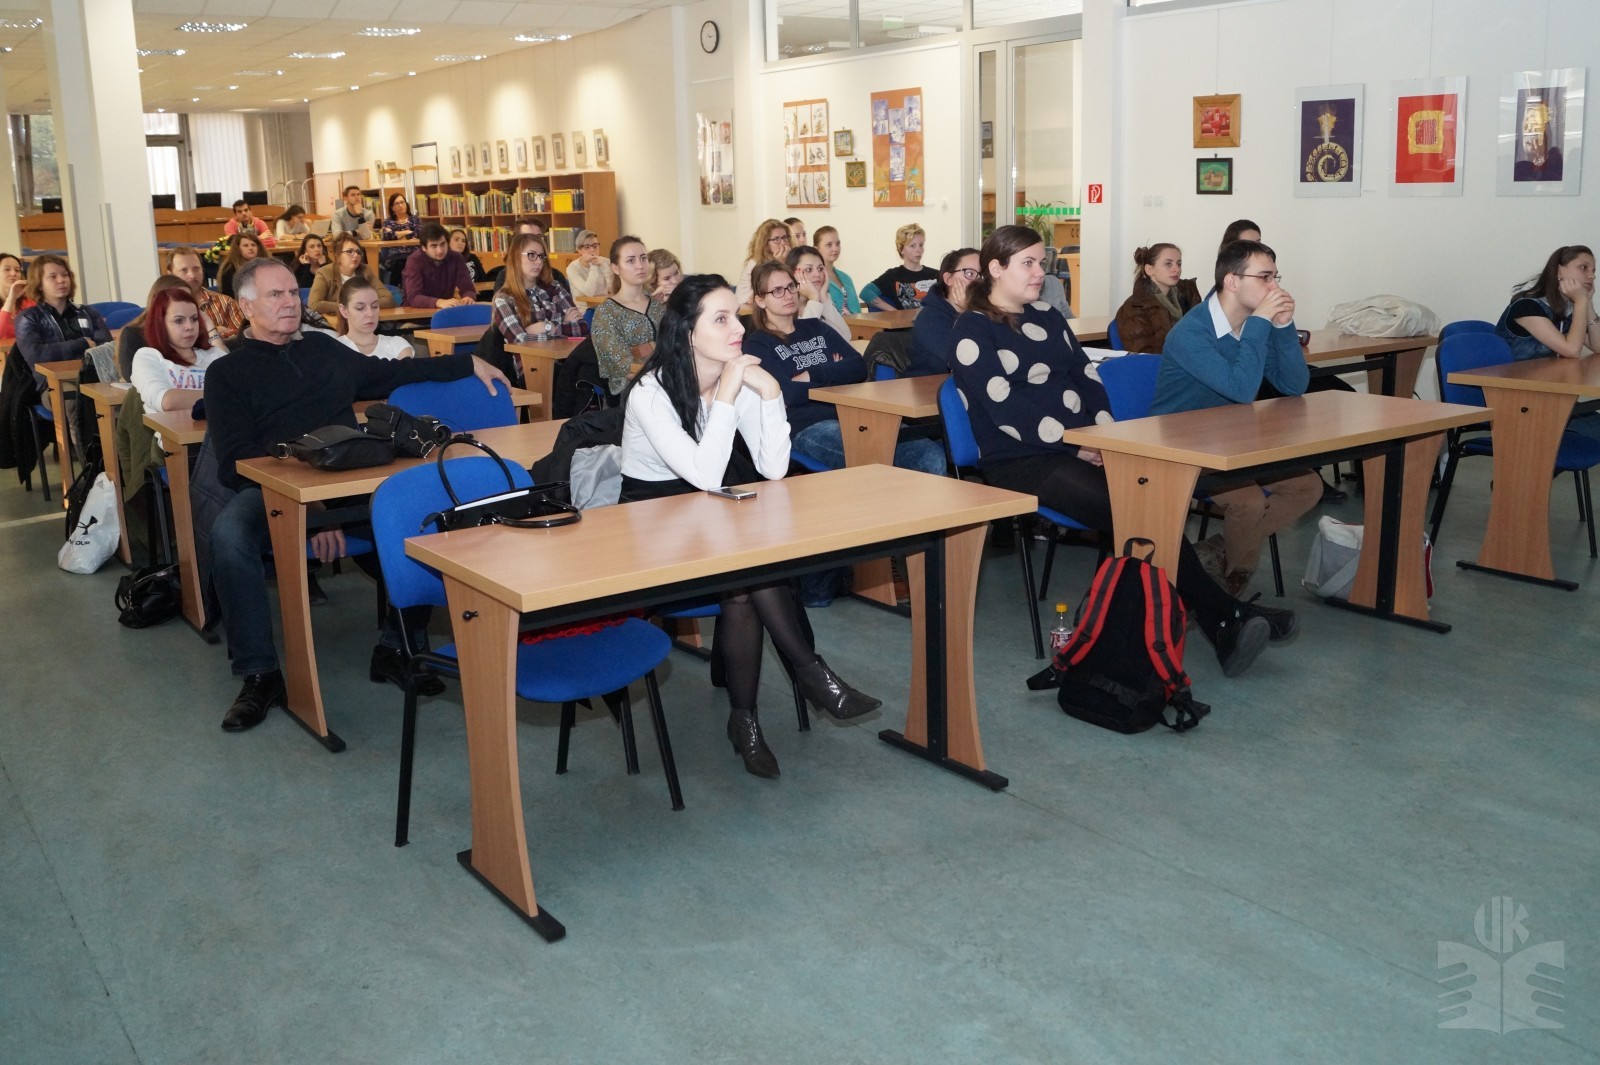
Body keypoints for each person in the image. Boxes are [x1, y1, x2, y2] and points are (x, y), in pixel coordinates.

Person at [947, 225, 1288, 677]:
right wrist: (1077, 444)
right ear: (995, 268)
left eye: (1040, 262)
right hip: (1021, 459)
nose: (1039, 272)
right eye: (1027, 263)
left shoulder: (1047, 316)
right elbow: (1003, 407)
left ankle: (1214, 617)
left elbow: (1087, 377)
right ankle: (1225, 615)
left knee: (1151, 501)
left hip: (1082, 446)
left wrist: (1105, 439)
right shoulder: (972, 329)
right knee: (1134, 508)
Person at [195, 257, 509, 733]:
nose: (290, 303)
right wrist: (311, 504)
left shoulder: (323, 349)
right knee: (230, 535)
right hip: (271, 488)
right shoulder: (227, 373)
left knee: (425, 516)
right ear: (245, 306)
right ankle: (260, 675)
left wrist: (468, 361)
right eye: (275, 295)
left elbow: (392, 375)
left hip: (345, 481)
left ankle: (397, 646)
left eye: (292, 293)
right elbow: (235, 461)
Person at [619, 274, 881, 777]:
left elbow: (774, 468)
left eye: (735, 316)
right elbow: (703, 473)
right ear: (687, 332)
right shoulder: (650, 392)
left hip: (706, 515)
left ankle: (748, 720)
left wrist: (771, 394)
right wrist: (728, 395)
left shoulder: (732, 377)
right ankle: (809, 674)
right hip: (650, 523)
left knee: (744, 587)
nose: (737, 329)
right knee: (750, 577)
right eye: (720, 320)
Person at [1152, 238, 1322, 598]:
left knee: (1307, 485)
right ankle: (1230, 589)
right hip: (1181, 448)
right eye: (1265, 277)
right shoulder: (1191, 334)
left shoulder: (1252, 325)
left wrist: (1283, 327)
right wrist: (1261, 323)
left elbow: (1294, 385)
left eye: (1275, 277)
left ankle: (1216, 551)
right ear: (1231, 281)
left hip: (1231, 442)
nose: (1274, 287)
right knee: (1248, 502)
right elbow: (1241, 390)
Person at [743, 260, 945, 476]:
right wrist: (835, 372)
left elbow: (858, 366)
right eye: (777, 291)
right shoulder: (757, 344)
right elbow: (788, 393)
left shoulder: (816, 327)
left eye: (791, 286)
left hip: (854, 413)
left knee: (929, 455)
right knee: (883, 460)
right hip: (808, 424)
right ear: (760, 300)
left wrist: (813, 373)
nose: (788, 295)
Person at [130, 287, 227, 447]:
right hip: (179, 447)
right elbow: (166, 401)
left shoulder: (213, 354)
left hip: (223, 438)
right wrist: (224, 397)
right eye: (179, 321)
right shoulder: (148, 356)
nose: (189, 326)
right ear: (160, 324)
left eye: (194, 319)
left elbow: (243, 392)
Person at [14, 255, 112, 384]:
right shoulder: (29, 317)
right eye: (53, 277)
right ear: (39, 284)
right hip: (54, 384)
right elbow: (36, 355)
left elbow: (108, 349)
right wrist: (83, 344)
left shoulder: (88, 313)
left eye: (65, 275)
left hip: (94, 378)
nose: (61, 280)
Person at [1495, 245, 1599, 361]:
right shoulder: (1527, 306)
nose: (1592, 276)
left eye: (1593, 271)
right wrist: (1581, 301)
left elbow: (1598, 346)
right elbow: (1572, 351)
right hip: (1510, 371)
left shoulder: (1569, 306)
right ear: (1559, 271)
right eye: (1584, 267)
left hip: (1543, 371)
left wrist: (1588, 301)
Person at [590, 236, 663, 397]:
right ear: (616, 268)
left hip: (666, 383)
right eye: (631, 261)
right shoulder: (607, 312)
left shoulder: (659, 306)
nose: (640, 265)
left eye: (643, 258)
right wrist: (656, 347)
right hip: (630, 392)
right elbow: (623, 367)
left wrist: (642, 349)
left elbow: (679, 347)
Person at [491, 232, 584, 343]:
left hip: (565, 353)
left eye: (541, 256)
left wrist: (547, 327)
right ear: (516, 257)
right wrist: (564, 324)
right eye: (531, 255)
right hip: (530, 355)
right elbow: (520, 340)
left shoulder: (555, 288)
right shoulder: (503, 299)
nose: (539, 262)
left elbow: (582, 327)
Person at [1113, 243, 1202, 355]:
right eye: (1168, 264)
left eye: (1179, 264)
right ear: (1149, 270)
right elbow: (1146, 355)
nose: (1176, 269)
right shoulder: (1135, 308)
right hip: (1163, 364)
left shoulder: (1187, 296)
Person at [907, 247, 979, 377]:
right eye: (969, 274)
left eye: (982, 275)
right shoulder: (930, 318)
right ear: (948, 278)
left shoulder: (984, 312)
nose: (977, 281)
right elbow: (964, 359)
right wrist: (968, 312)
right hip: (928, 385)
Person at [166, 246, 244, 347]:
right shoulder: (163, 305)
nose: (192, 275)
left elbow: (242, 339)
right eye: (184, 270)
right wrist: (211, 332)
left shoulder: (225, 303)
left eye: (196, 269)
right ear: (170, 273)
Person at [117, 274, 190, 379]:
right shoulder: (133, 335)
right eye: (179, 299)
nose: (186, 305)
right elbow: (131, 375)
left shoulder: (192, 331)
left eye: (189, 299)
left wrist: (210, 327)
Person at [310, 233, 393, 318]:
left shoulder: (366, 271)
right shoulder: (324, 273)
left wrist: (363, 306)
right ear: (337, 256)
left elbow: (388, 299)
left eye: (358, 252)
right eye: (349, 251)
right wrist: (350, 306)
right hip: (336, 322)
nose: (356, 255)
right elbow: (314, 304)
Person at [335, 276, 415, 359]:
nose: (370, 314)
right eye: (360, 308)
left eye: (375, 306)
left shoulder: (397, 345)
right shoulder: (334, 349)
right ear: (344, 311)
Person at [401, 222, 474, 309]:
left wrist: (468, 297)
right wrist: (438, 302)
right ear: (424, 247)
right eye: (434, 246)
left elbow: (468, 288)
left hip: (446, 310)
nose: (440, 250)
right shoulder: (414, 260)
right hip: (416, 313)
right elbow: (414, 297)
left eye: (443, 244)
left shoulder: (456, 257)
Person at [785, 245, 850, 341]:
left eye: (820, 269)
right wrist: (814, 299)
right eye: (808, 270)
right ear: (792, 274)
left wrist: (824, 299)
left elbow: (845, 337)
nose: (817, 274)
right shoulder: (785, 304)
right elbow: (803, 342)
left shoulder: (822, 299)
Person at [865, 224, 937, 310]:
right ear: (901, 249)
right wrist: (893, 311)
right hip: (905, 319)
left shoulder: (936, 275)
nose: (918, 250)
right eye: (912, 246)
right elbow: (866, 293)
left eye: (921, 245)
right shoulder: (893, 276)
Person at [734, 219, 792, 305]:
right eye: (776, 239)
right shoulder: (755, 264)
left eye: (784, 237)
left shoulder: (788, 258)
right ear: (765, 244)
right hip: (747, 308)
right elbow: (771, 289)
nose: (783, 243)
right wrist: (780, 264)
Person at [814, 225, 861, 314]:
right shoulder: (816, 278)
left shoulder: (846, 278)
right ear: (817, 249)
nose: (835, 248)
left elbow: (858, 311)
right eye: (829, 245)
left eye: (837, 244)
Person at [379, 193, 423, 280]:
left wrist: (397, 234)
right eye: (397, 203)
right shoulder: (388, 222)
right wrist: (407, 232)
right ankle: (394, 287)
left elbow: (418, 233)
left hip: (413, 252)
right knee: (400, 263)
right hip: (395, 254)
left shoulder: (415, 219)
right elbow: (388, 235)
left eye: (402, 202)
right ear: (392, 208)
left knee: (412, 261)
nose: (400, 205)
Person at [216, 231, 265, 299]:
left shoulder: (267, 266)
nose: (250, 248)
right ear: (238, 249)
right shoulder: (230, 270)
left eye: (253, 245)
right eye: (246, 245)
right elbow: (230, 297)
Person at [566, 230, 613, 299]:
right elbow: (589, 293)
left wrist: (604, 267)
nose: (592, 250)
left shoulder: (606, 262)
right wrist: (593, 265)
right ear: (579, 250)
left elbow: (614, 290)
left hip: (605, 303)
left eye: (595, 246)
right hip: (585, 305)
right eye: (587, 247)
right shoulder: (573, 268)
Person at [0, 252, 34, 342]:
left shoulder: (28, 302)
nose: (13, 273)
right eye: (7, 269)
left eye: (17, 270)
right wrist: (11, 299)